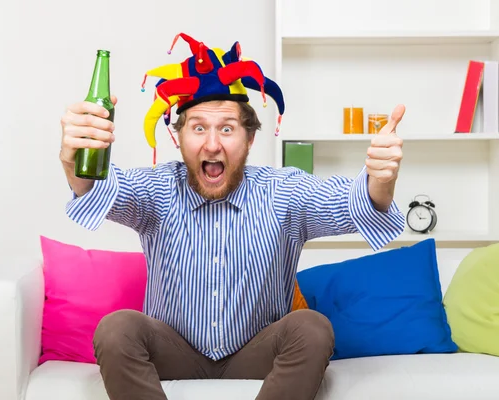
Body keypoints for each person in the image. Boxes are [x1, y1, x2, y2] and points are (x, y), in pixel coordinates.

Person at [59, 33, 406, 400]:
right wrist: (75, 161)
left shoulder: (282, 192)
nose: (212, 144)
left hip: (257, 355)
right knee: (117, 328)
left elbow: (355, 201)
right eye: (198, 128)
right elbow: (96, 188)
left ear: (250, 139)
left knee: (312, 326)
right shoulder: (158, 189)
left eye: (227, 128)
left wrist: (381, 180)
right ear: (179, 139)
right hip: (172, 355)